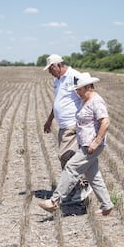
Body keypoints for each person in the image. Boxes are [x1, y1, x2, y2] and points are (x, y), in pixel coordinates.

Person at [39, 72, 114, 216]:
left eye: (79, 89)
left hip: (91, 146)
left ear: (88, 87)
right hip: (84, 143)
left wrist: (96, 142)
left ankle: (54, 201)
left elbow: (105, 121)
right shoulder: (84, 100)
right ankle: (107, 206)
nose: (77, 92)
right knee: (93, 175)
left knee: (71, 167)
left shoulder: (96, 101)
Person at [43, 54, 92, 202]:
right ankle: (76, 187)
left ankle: (83, 185)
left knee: (67, 156)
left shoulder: (74, 76)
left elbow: (87, 96)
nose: (49, 71)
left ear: (58, 65)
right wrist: (49, 120)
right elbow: (58, 102)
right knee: (66, 158)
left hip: (73, 124)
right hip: (63, 126)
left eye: (51, 68)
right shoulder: (57, 80)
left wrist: (84, 120)